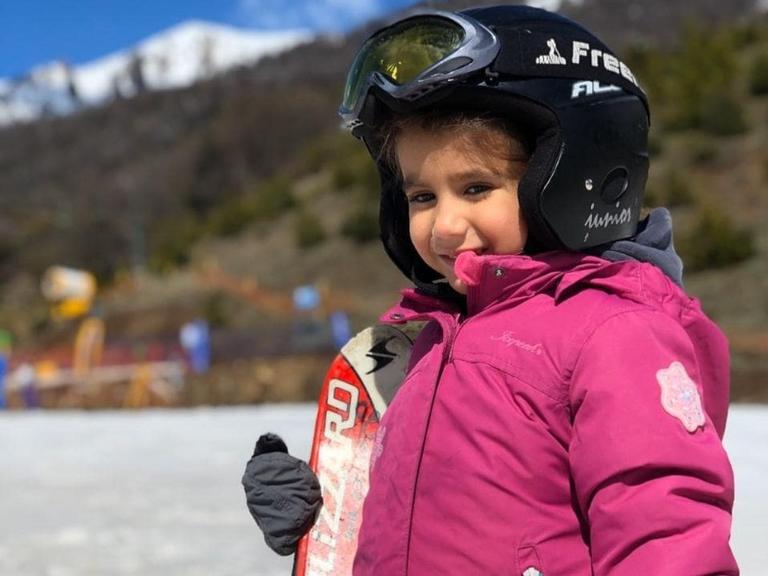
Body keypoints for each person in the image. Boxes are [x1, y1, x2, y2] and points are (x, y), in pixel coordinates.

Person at [243, 5, 737, 574]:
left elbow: (667, 535)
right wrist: (321, 511)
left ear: (580, 174)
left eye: (476, 188)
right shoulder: (422, 345)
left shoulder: (614, 334)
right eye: (422, 197)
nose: (444, 226)